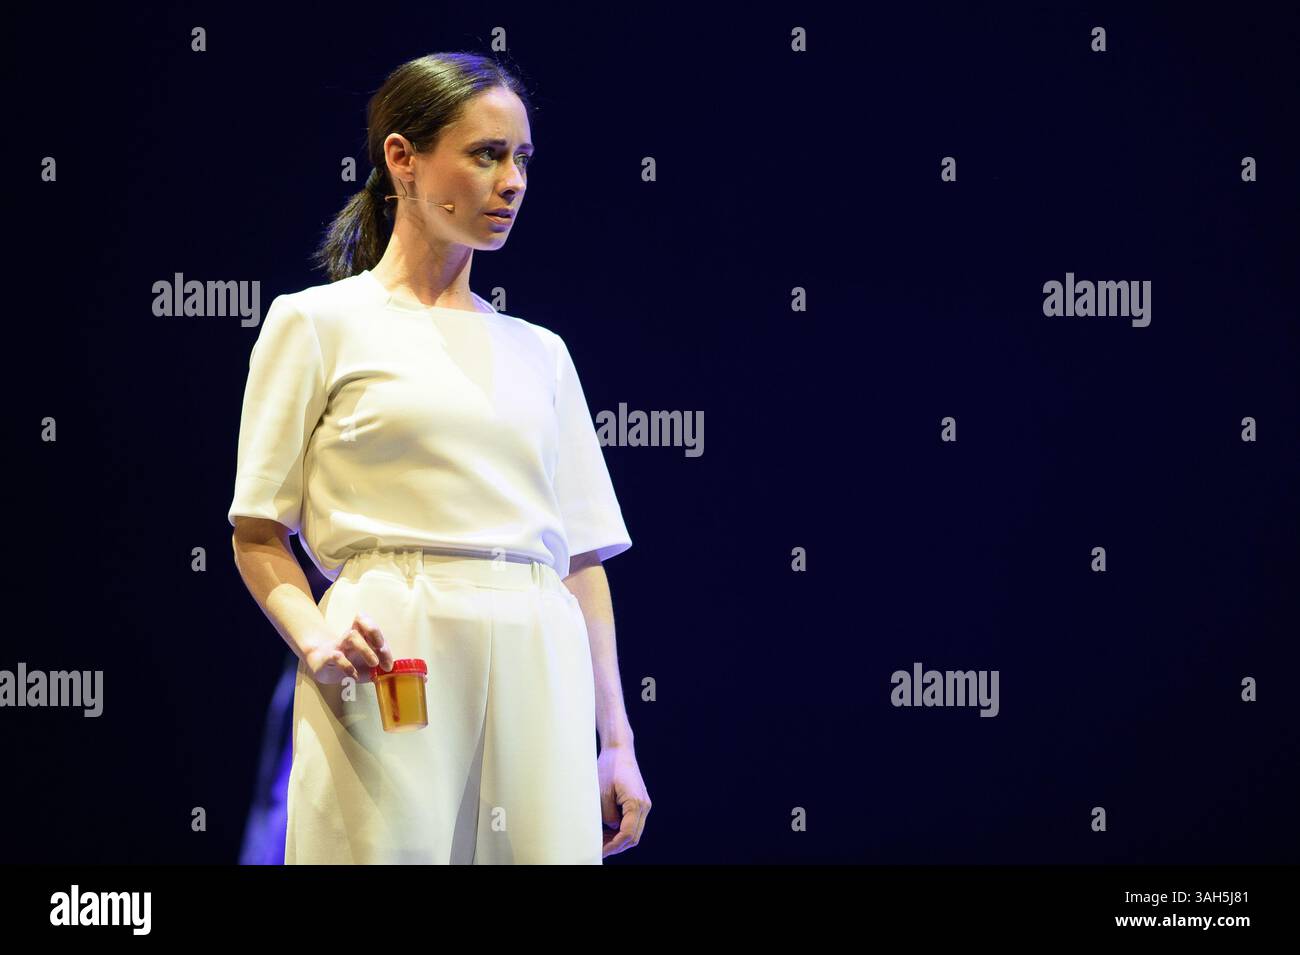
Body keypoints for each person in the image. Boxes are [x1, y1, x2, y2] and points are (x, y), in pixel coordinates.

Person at [227, 52, 650, 864]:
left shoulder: (542, 352)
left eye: (522, 158)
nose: (512, 181)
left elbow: (582, 559)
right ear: (402, 159)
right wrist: (314, 639)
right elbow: (256, 532)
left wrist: (616, 741)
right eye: (486, 154)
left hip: (537, 650)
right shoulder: (317, 323)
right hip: (392, 650)